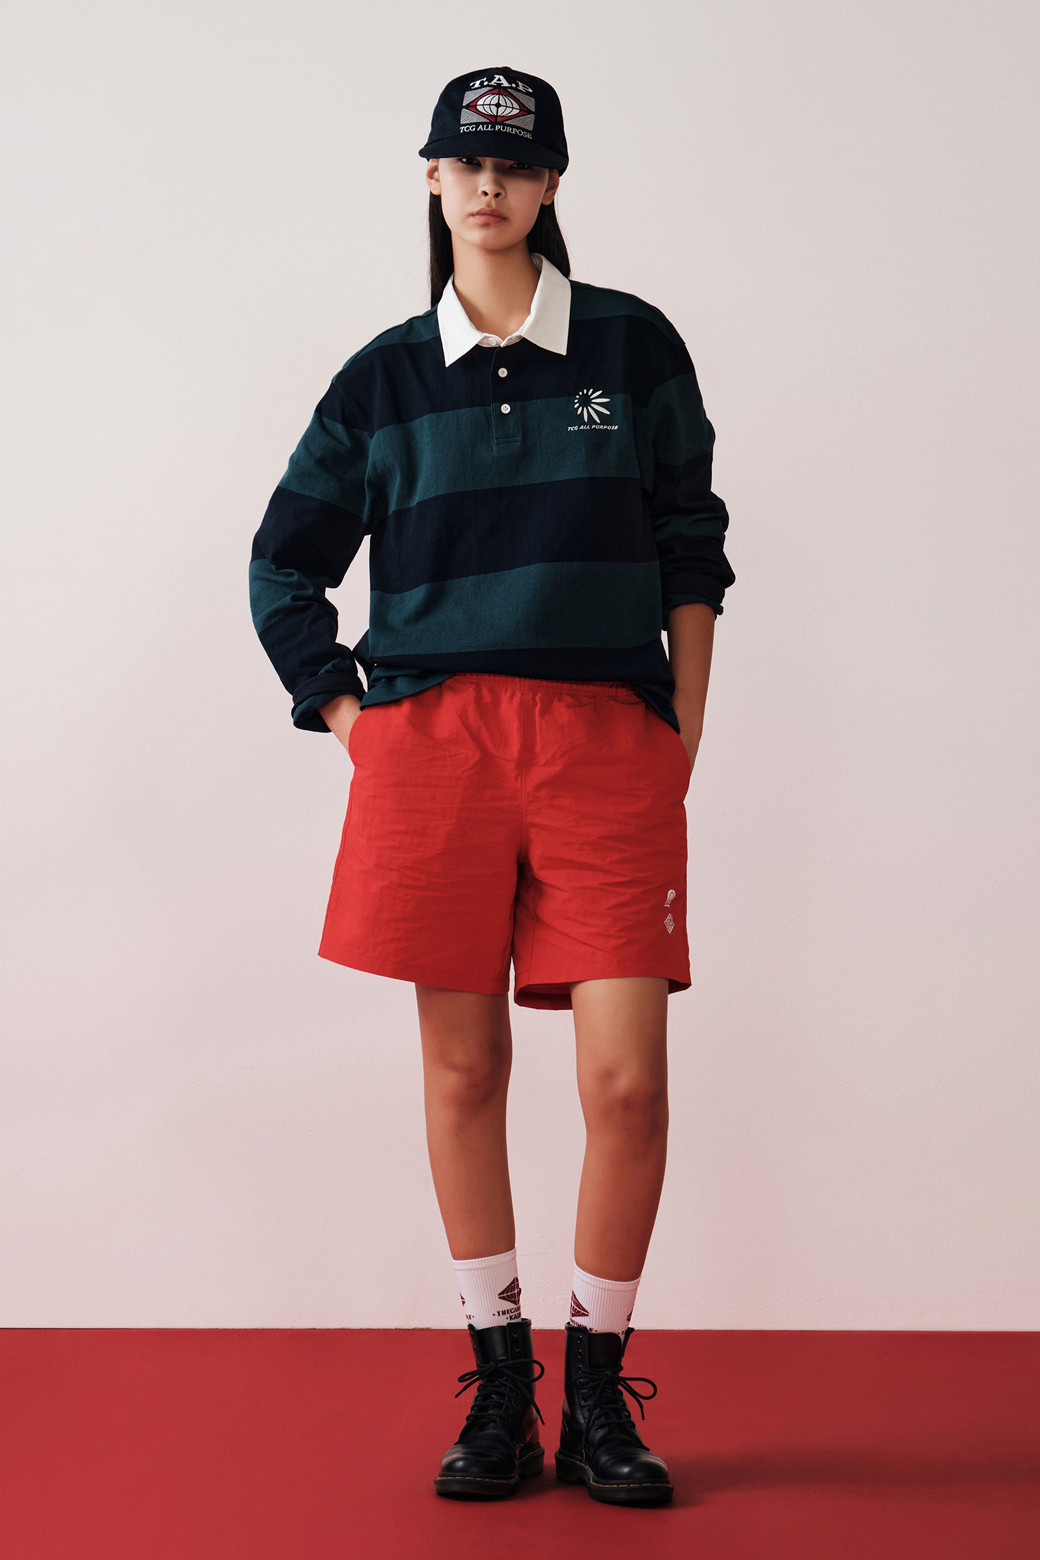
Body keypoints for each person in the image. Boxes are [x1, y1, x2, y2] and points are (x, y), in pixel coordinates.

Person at [249, 64, 735, 1508]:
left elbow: (693, 536)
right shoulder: (384, 379)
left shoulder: (632, 347)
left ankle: (597, 1392)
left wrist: (681, 726)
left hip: (606, 744)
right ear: (430, 177)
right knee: (464, 1071)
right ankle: (501, 1382)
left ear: (552, 183)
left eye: (515, 166)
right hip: (435, 747)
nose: (488, 187)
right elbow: (283, 562)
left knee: (627, 1084)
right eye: (465, 163)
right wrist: (355, 719)